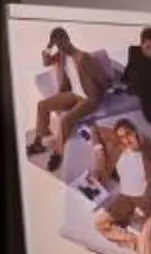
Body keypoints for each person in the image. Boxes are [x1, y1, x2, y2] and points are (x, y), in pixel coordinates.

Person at [28, 27, 108, 168]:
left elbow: (101, 78)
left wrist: (103, 93)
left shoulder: (83, 57)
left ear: (68, 40)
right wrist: (49, 45)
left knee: (66, 120)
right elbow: (46, 62)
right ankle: (38, 143)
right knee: (42, 105)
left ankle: (58, 154)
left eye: (62, 44)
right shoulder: (62, 56)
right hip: (73, 95)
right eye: (58, 45)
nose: (61, 48)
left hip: (88, 98)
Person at [92, 119, 151, 254]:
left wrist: (142, 209)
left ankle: (144, 252)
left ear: (136, 131)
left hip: (145, 201)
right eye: (121, 137)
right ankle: (133, 241)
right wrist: (98, 151)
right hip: (125, 199)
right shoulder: (118, 148)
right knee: (99, 223)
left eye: (128, 134)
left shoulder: (150, 151)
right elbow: (95, 129)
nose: (126, 140)